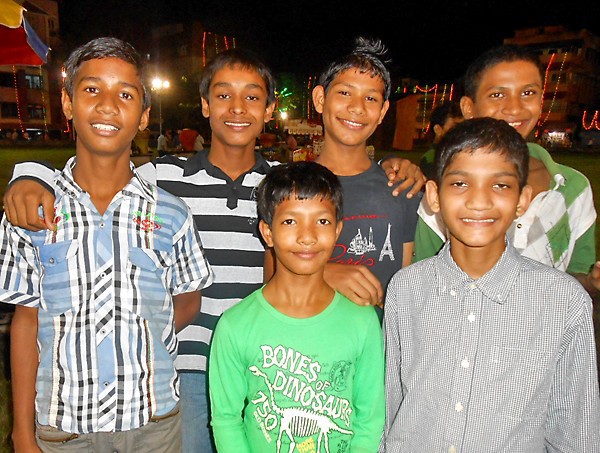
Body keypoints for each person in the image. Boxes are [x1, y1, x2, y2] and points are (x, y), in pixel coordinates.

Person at [2, 45, 424, 453]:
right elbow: (102, 175)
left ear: (269, 110)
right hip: (185, 369)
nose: (237, 108)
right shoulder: (163, 178)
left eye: (252, 97)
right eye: (223, 96)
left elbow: (308, 236)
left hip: (268, 364)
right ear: (205, 105)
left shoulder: (283, 184)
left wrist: (398, 167)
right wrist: (30, 174)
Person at [0, 37, 213, 452]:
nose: (108, 105)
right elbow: (25, 322)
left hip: (153, 423)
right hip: (64, 427)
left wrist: (144, 330)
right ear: (68, 103)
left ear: (144, 115)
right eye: (92, 89)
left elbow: (189, 295)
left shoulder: (171, 213)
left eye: (126, 94)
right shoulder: (33, 211)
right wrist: (21, 431)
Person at [382, 117, 600, 452]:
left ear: (522, 200)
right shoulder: (406, 289)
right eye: (460, 183)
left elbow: (575, 432)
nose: (479, 201)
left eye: (500, 185)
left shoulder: (564, 302)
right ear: (434, 196)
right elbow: (390, 406)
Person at [210, 161, 385, 452]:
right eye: (290, 221)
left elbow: (370, 419)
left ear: (338, 230)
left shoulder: (362, 321)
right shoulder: (234, 325)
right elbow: (226, 420)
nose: (307, 236)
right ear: (267, 232)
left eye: (322, 221)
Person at [412, 45, 600, 295]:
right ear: (469, 108)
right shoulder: (446, 190)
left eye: (528, 92)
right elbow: (424, 280)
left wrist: (592, 282)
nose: (514, 107)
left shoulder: (573, 187)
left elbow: (578, 277)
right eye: (497, 94)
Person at [313, 37, 421, 305]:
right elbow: (272, 273)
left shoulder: (402, 187)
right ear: (320, 99)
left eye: (371, 98)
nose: (357, 107)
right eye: (345, 93)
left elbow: (404, 282)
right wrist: (322, 274)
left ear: (383, 111)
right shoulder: (291, 185)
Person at [418, 101, 463, 179]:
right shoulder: (431, 159)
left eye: (463, 127)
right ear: (438, 129)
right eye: (454, 128)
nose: (460, 132)